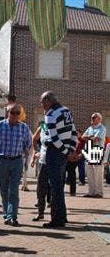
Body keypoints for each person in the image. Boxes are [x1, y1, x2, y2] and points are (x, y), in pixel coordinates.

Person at [0, 104, 32, 226]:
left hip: (17, 161)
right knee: (4, 189)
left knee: (14, 190)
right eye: (12, 112)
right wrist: (1, 153)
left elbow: (28, 143)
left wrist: (22, 151)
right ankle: (6, 214)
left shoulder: (24, 127)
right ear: (7, 113)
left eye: (17, 113)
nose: (15, 115)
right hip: (2, 161)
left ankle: (12, 216)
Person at [40, 91, 77, 228]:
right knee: (59, 186)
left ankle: (58, 219)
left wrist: (65, 151)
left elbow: (54, 138)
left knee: (55, 188)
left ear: (49, 101)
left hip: (55, 152)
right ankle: (63, 215)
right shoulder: (66, 111)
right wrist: (71, 150)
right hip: (63, 152)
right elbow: (73, 132)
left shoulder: (50, 114)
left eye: (42, 101)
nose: (41, 104)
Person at [82, 113, 106, 198]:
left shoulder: (102, 128)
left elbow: (97, 139)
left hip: (97, 150)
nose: (92, 119)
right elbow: (82, 137)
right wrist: (90, 137)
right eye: (92, 118)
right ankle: (91, 192)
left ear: (99, 119)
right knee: (90, 172)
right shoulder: (90, 128)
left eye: (94, 118)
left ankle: (99, 192)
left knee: (98, 172)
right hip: (88, 149)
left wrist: (89, 137)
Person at [30, 121, 51, 222]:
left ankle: (58, 215)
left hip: (56, 162)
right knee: (41, 188)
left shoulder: (60, 125)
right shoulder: (43, 126)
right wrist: (35, 151)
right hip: (43, 162)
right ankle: (40, 212)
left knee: (56, 189)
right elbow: (34, 138)